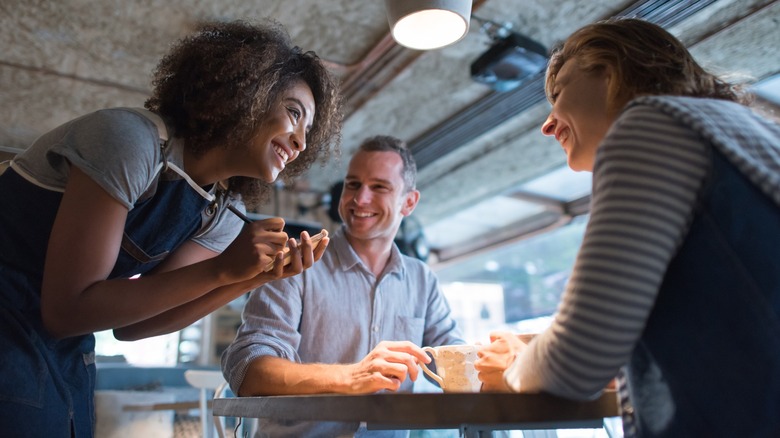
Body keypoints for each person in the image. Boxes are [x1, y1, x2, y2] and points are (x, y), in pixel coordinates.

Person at [0, 20, 342, 436]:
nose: (302, 142)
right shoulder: (130, 141)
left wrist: (253, 277)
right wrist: (223, 271)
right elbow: (66, 309)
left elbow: (133, 327)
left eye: (308, 131)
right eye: (294, 113)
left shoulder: (220, 206)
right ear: (247, 92)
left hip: (66, 341)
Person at [474, 17, 780, 437]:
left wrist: (513, 366)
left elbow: (575, 362)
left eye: (558, 93)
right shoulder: (751, 133)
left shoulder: (650, 122)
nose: (547, 125)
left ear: (609, 69)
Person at [221, 135, 464, 437]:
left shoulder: (421, 280)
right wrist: (351, 376)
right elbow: (247, 370)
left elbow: (454, 359)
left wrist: (510, 362)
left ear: (409, 202)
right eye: (353, 184)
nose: (360, 199)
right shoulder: (298, 264)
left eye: (379, 187)